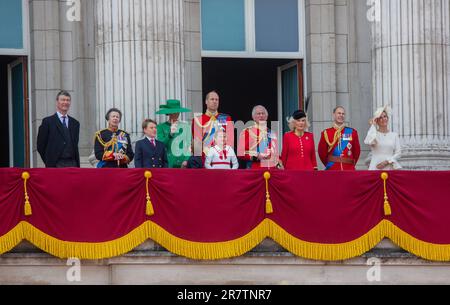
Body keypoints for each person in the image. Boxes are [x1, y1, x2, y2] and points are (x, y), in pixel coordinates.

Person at [37, 90, 80, 168]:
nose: (65, 102)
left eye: (68, 100)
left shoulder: (75, 123)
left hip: (72, 164)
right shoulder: (47, 122)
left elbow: (75, 145)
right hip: (55, 164)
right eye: (63, 100)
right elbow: (40, 145)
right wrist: (49, 161)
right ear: (57, 102)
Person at [192, 91, 233, 163]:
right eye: (212, 99)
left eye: (217, 99)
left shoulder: (225, 118)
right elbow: (197, 143)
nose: (215, 101)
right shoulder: (197, 120)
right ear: (206, 101)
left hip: (222, 159)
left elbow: (229, 141)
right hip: (204, 159)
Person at [318, 106, 361, 170]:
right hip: (333, 169)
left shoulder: (352, 132)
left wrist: (350, 163)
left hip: (348, 168)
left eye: (343, 114)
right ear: (334, 115)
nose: (341, 115)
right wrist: (330, 164)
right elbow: (322, 152)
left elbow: (356, 151)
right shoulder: (326, 133)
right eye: (339, 113)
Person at [155, 99, 191, 168]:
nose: (177, 113)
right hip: (167, 162)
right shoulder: (161, 127)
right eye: (174, 111)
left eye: (178, 111)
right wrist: (170, 134)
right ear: (169, 113)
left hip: (182, 162)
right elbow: (161, 145)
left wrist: (186, 160)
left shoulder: (186, 127)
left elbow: (189, 145)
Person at [364, 106, 402, 170]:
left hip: (390, 166)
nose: (383, 119)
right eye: (380, 117)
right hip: (376, 166)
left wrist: (386, 162)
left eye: (385, 116)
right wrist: (373, 125)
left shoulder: (394, 135)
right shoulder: (373, 134)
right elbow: (371, 142)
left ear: (387, 118)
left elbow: (398, 153)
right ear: (377, 121)